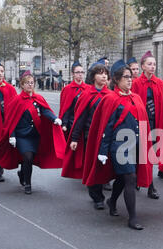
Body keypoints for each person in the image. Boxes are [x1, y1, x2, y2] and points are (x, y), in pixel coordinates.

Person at [82, 60, 153, 230]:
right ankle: (132, 217)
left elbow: (143, 123)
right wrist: (103, 150)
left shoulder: (136, 98)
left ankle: (112, 201)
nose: (130, 80)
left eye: (131, 77)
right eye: (126, 77)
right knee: (130, 177)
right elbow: (106, 126)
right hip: (118, 147)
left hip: (135, 145)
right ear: (116, 79)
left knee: (123, 178)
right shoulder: (110, 99)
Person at [0, 72, 65, 194]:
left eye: (32, 83)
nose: (30, 85)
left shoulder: (38, 98)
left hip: (35, 136)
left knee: (30, 159)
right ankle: (28, 184)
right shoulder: (17, 100)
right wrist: (12, 135)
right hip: (22, 136)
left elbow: (44, 110)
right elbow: (11, 120)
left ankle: (22, 173)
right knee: (28, 157)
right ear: (22, 85)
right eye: (27, 83)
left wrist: (54, 118)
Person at [62, 62, 111, 209]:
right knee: (93, 166)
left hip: (107, 137)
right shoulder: (86, 95)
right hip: (90, 137)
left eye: (105, 74)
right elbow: (80, 118)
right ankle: (97, 197)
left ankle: (107, 192)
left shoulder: (110, 95)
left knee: (107, 166)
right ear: (93, 76)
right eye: (100, 73)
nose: (103, 76)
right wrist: (75, 138)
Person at [131, 50, 163, 199]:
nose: (152, 66)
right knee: (141, 154)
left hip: (155, 124)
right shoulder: (135, 83)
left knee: (150, 155)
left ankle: (149, 185)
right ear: (143, 66)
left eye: (154, 64)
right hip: (140, 124)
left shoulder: (160, 83)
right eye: (149, 64)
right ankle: (147, 184)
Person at [59, 61, 90, 140]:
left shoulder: (88, 88)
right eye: (77, 72)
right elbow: (65, 108)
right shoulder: (67, 89)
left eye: (82, 72)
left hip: (85, 123)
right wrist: (64, 124)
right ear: (73, 74)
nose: (80, 74)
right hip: (71, 123)